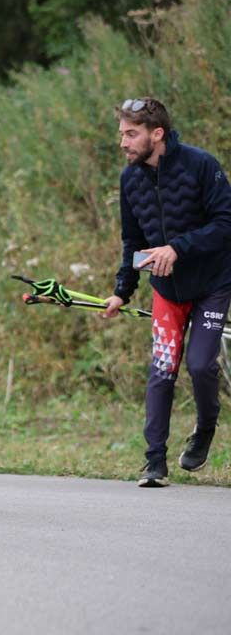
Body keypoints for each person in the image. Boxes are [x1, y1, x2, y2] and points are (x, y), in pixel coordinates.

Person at [101, 98, 231, 487]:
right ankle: (154, 461)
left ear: (156, 134)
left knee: (201, 364)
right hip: (167, 291)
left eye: (131, 134)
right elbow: (133, 240)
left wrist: (178, 248)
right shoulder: (130, 179)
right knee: (161, 369)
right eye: (122, 133)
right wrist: (122, 291)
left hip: (212, 283)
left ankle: (206, 427)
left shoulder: (201, 165)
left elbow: (226, 222)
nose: (123, 142)